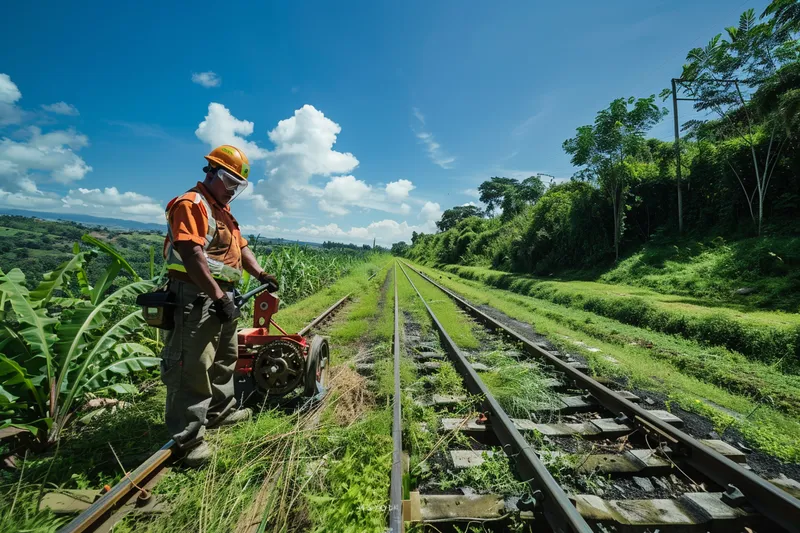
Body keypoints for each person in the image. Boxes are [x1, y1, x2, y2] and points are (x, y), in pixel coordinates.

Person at [161, 145, 278, 467]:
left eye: (236, 186)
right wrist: (217, 297)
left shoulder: (223, 212)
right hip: (195, 295)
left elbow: (242, 250)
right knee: (193, 364)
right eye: (228, 181)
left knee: (225, 357)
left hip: (223, 295)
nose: (231, 190)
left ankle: (219, 412)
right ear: (210, 172)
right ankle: (188, 439)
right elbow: (191, 255)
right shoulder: (192, 204)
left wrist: (261, 273)